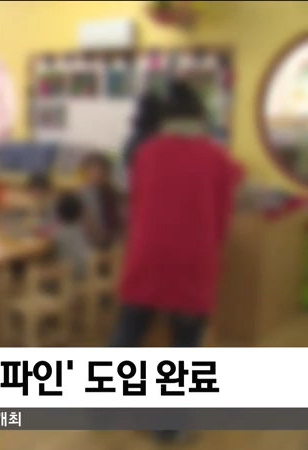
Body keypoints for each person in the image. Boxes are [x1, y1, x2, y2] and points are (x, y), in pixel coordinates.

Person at [111, 80, 242, 443]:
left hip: (146, 256)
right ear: (202, 117)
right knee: (183, 347)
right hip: (192, 261)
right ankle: (167, 427)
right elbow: (221, 220)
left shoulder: (145, 153)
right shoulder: (217, 158)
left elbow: (137, 206)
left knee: (128, 331)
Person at [80, 153, 123, 249]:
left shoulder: (113, 194)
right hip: (90, 247)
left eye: (101, 171)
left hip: (114, 246)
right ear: (86, 173)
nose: (98, 175)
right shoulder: (80, 197)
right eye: (93, 171)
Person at [52, 192, 91, 281]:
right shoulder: (82, 229)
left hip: (69, 276)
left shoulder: (59, 234)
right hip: (87, 271)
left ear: (58, 213)